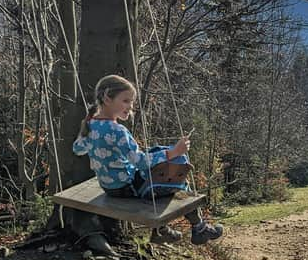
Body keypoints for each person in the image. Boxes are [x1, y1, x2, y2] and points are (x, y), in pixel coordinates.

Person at [73, 74, 223, 245]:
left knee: (160, 157)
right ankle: (197, 228)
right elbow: (142, 162)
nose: (130, 106)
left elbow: (78, 149)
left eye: (131, 102)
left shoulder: (91, 125)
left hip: (108, 186)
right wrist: (174, 152)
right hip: (128, 187)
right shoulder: (117, 130)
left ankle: (165, 230)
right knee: (176, 178)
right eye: (126, 101)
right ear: (107, 98)